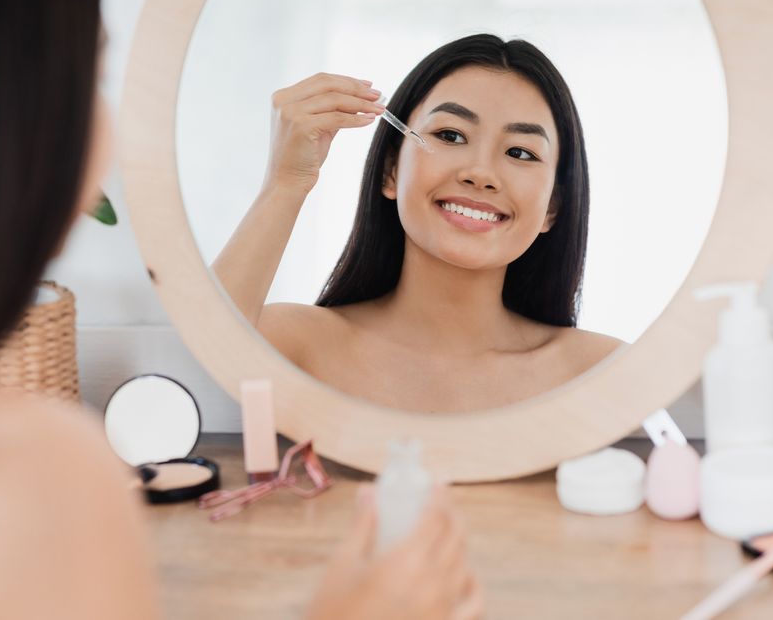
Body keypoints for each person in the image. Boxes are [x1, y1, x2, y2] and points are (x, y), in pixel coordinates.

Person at [0, 0, 481, 618]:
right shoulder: (37, 477)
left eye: (520, 151)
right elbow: (218, 342)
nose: (479, 172)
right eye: (92, 75)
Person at [214, 34, 624, 412]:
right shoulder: (291, 342)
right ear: (391, 170)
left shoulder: (604, 374)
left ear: (553, 206)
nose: (480, 173)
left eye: (519, 152)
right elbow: (184, 386)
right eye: (450, 135)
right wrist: (286, 183)